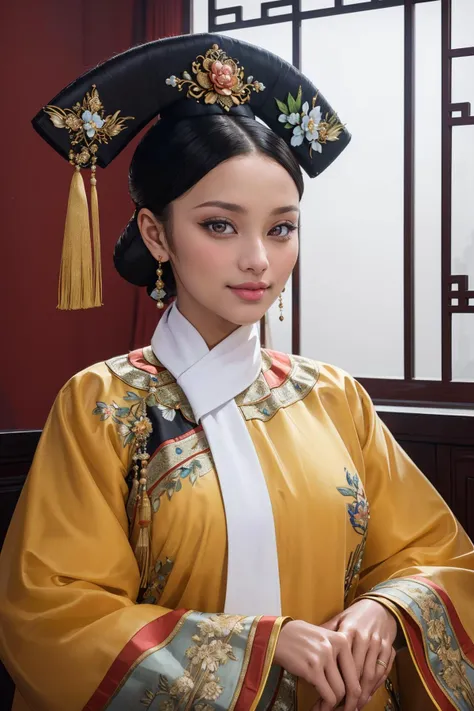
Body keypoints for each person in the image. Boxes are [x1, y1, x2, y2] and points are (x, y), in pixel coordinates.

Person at [0, 33, 473, 711]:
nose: (259, 259)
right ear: (157, 234)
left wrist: (386, 611)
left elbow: (439, 557)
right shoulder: (104, 404)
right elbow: (52, 613)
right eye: (221, 226)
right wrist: (262, 645)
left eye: (281, 228)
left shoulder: (333, 398)